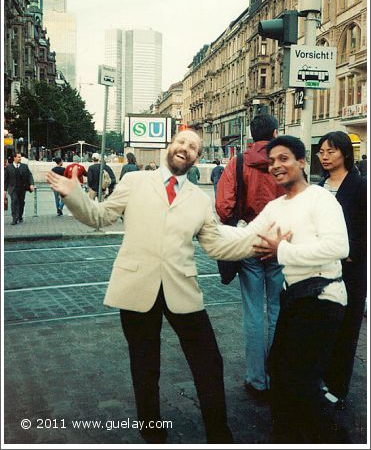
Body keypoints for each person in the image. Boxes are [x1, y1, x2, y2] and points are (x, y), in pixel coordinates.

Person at [45, 129, 271, 444]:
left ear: (197, 157)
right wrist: (74, 195)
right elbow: (99, 216)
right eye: (182, 142)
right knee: (145, 365)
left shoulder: (198, 199)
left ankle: (219, 435)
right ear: (169, 146)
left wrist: (254, 247)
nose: (186, 149)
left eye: (193, 147)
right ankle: (152, 433)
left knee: (209, 362)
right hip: (137, 285)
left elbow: (216, 245)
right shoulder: (135, 182)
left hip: (182, 288)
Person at [250, 135, 349, 443]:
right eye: (272, 162)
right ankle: (288, 436)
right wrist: (201, 229)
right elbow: (245, 237)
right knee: (279, 369)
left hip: (323, 296)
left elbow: (339, 246)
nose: (276, 166)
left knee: (300, 379)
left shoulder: (320, 198)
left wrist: (284, 253)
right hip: (294, 299)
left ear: (302, 162)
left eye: (284, 159)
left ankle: (326, 439)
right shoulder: (275, 206)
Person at [216, 114, 285, 402]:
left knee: (254, 312)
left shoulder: (238, 162)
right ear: (275, 132)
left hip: (249, 243)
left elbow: (223, 206)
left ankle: (258, 380)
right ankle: (278, 373)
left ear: (250, 133)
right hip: (280, 243)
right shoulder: (284, 161)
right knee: (278, 309)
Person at [317, 132, 367, 407]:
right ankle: (324, 377)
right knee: (326, 324)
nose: (324, 156)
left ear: (345, 154)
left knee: (346, 329)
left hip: (351, 269)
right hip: (324, 267)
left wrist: (352, 253)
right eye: (321, 151)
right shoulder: (322, 185)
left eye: (331, 151)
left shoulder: (360, 187)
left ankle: (339, 386)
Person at [4, 152, 35, 225]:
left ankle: (20, 216)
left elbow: (29, 176)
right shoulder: (9, 167)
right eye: (18, 157)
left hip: (22, 188)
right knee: (14, 202)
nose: (20, 158)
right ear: (14, 158)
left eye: (20, 157)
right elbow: (5, 179)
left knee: (21, 203)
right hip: (13, 188)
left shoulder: (24, 166)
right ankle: (14, 218)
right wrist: (4, 190)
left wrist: (31, 184)